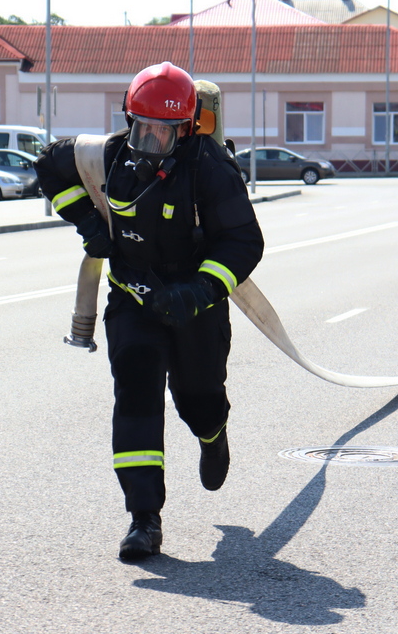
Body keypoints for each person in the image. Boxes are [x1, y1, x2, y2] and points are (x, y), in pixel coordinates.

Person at [35, 62, 264, 561]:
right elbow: (51, 165)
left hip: (194, 307)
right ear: (128, 118)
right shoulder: (109, 155)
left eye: (164, 131)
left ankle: (213, 434)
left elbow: (244, 242)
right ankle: (144, 519)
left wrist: (201, 290)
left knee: (196, 396)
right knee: (136, 399)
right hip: (133, 299)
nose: (151, 139)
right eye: (143, 128)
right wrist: (85, 221)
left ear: (187, 128)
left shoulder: (211, 169)